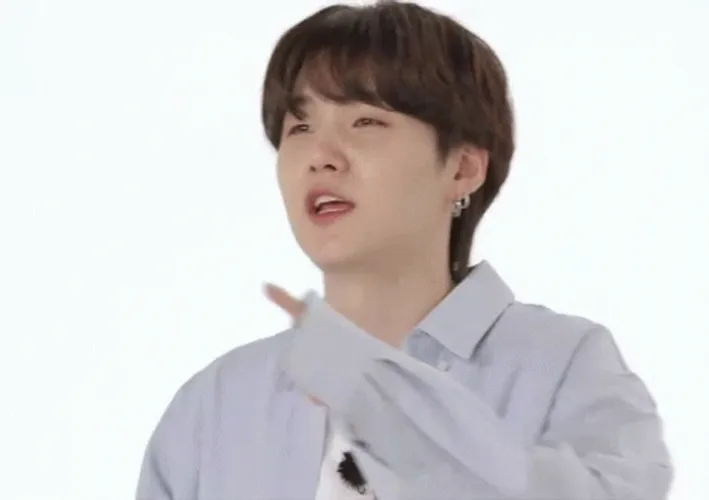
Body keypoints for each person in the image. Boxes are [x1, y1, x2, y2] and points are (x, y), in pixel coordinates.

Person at [135, 2, 674, 499]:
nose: (320, 155)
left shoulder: (565, 367)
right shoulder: (216, 405)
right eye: (299, 126)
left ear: (463, 168)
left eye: (365, 121)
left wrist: (395, 412)